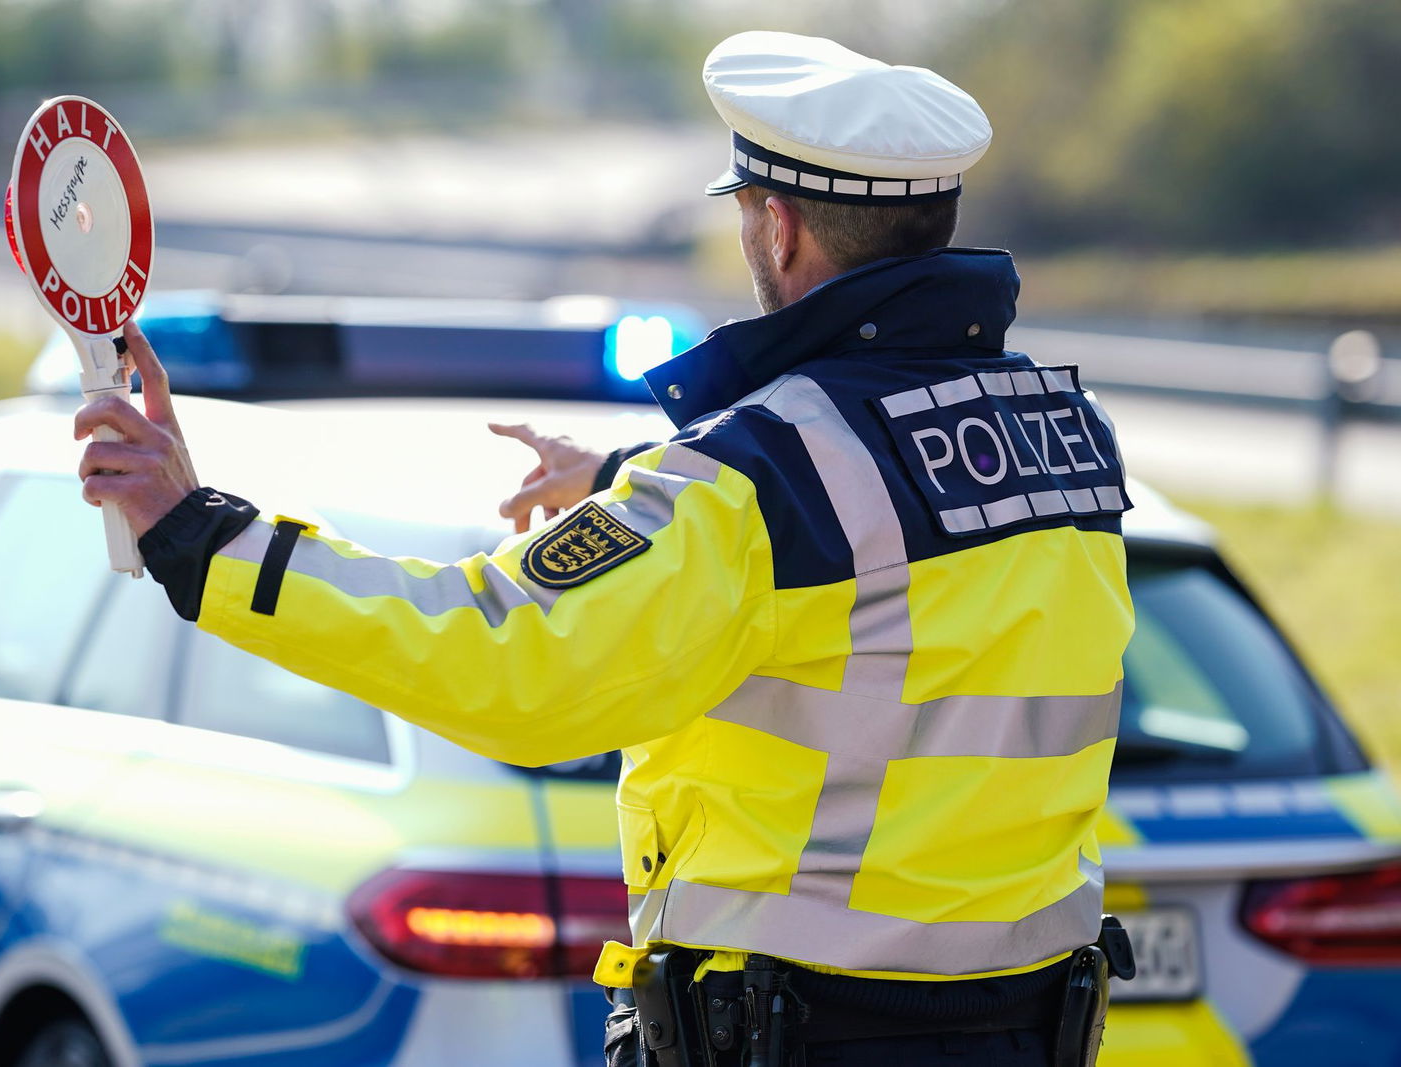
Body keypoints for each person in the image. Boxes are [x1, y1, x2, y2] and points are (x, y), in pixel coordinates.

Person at [75, 31, 1135, 1066]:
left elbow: (497, 656)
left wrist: (198, 534)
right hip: (1025, 1022)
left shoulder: (754, 485)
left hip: (809, 1031)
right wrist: (635, 475)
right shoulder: (1063, 431)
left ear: (777, 229)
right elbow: (888, 532)